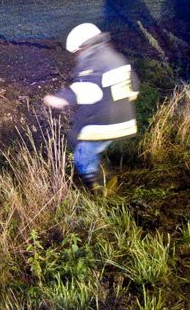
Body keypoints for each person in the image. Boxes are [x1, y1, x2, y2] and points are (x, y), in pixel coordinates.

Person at [43, 23, 139, 191]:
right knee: (93, 149)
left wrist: (61, 99)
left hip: (103, 123)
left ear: (83, 46)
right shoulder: (115, 57)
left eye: (76, 52)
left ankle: (100, 189)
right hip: (125, 120)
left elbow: (88, 89)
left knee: (82, 156)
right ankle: (105, 177)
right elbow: (134, 85)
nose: (76, 56)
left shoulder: (93, 62)